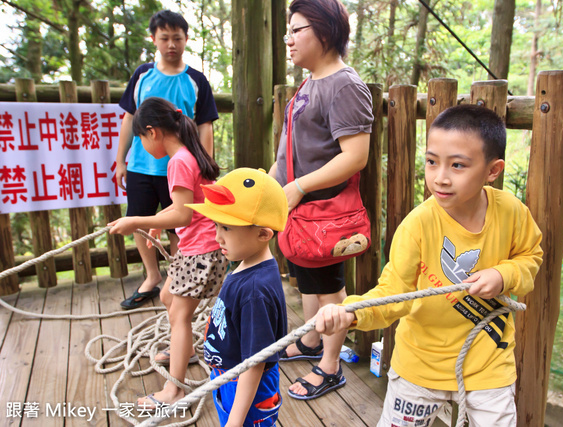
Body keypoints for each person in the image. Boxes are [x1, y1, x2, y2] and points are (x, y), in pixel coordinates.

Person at [315, 104, 544, 427]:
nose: (440, 178)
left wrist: (503, 274)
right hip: (420, 365)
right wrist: (352, 312)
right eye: (432, 162)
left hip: (488, 364)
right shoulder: (417, 225)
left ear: (493, 171)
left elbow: (531, 257)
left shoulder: (512, 213)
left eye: (458, 166)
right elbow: (394, 292)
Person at [268, 0, 374, 400]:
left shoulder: (345, 84)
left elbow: (355, 156)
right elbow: (288, 152)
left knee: (330, 291)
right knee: (308, 282)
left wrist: (298, 187)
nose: (289, 40)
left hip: (326, 215)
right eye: (287, 32)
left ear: (325, 33)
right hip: (301, 211)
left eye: (296, 31)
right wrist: (270, 185)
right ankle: (312, 341)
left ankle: (330, 365)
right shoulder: (310, 83)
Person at [108, 97, 228, 408]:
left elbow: (182, 216)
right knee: (166, 297)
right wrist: (160, 225)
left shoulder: (177, 162)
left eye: (140, 139)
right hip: (196, 248)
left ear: (153, 132)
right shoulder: (188, 154)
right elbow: (184, 208)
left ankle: (172, 390)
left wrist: (138, 220)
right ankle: (184, 351)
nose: (141, 146)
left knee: (179, 316)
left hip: (201, 251)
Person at [115, 9, 218, 310]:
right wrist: (121, 161)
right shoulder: (142, 75)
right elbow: (129, 119)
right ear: (154, 39)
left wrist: (204, 166)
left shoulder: (196, 79)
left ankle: (181, 281)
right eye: (165, 38)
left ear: (186, 39)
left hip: (180, 167)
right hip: (142, 167)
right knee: (143, 220)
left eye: (177, 38)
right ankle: (152, 277)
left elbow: (205, 125)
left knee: (178, 225)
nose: (171, 44)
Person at [187, 168, 288, 427]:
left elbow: (255, 364)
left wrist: (234, 421)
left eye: (226, 228)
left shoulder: (255, 292)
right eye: (216, 225)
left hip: (245, 387)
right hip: (230, 376)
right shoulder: (247, 263)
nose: (217, 236)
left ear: (263, 234)